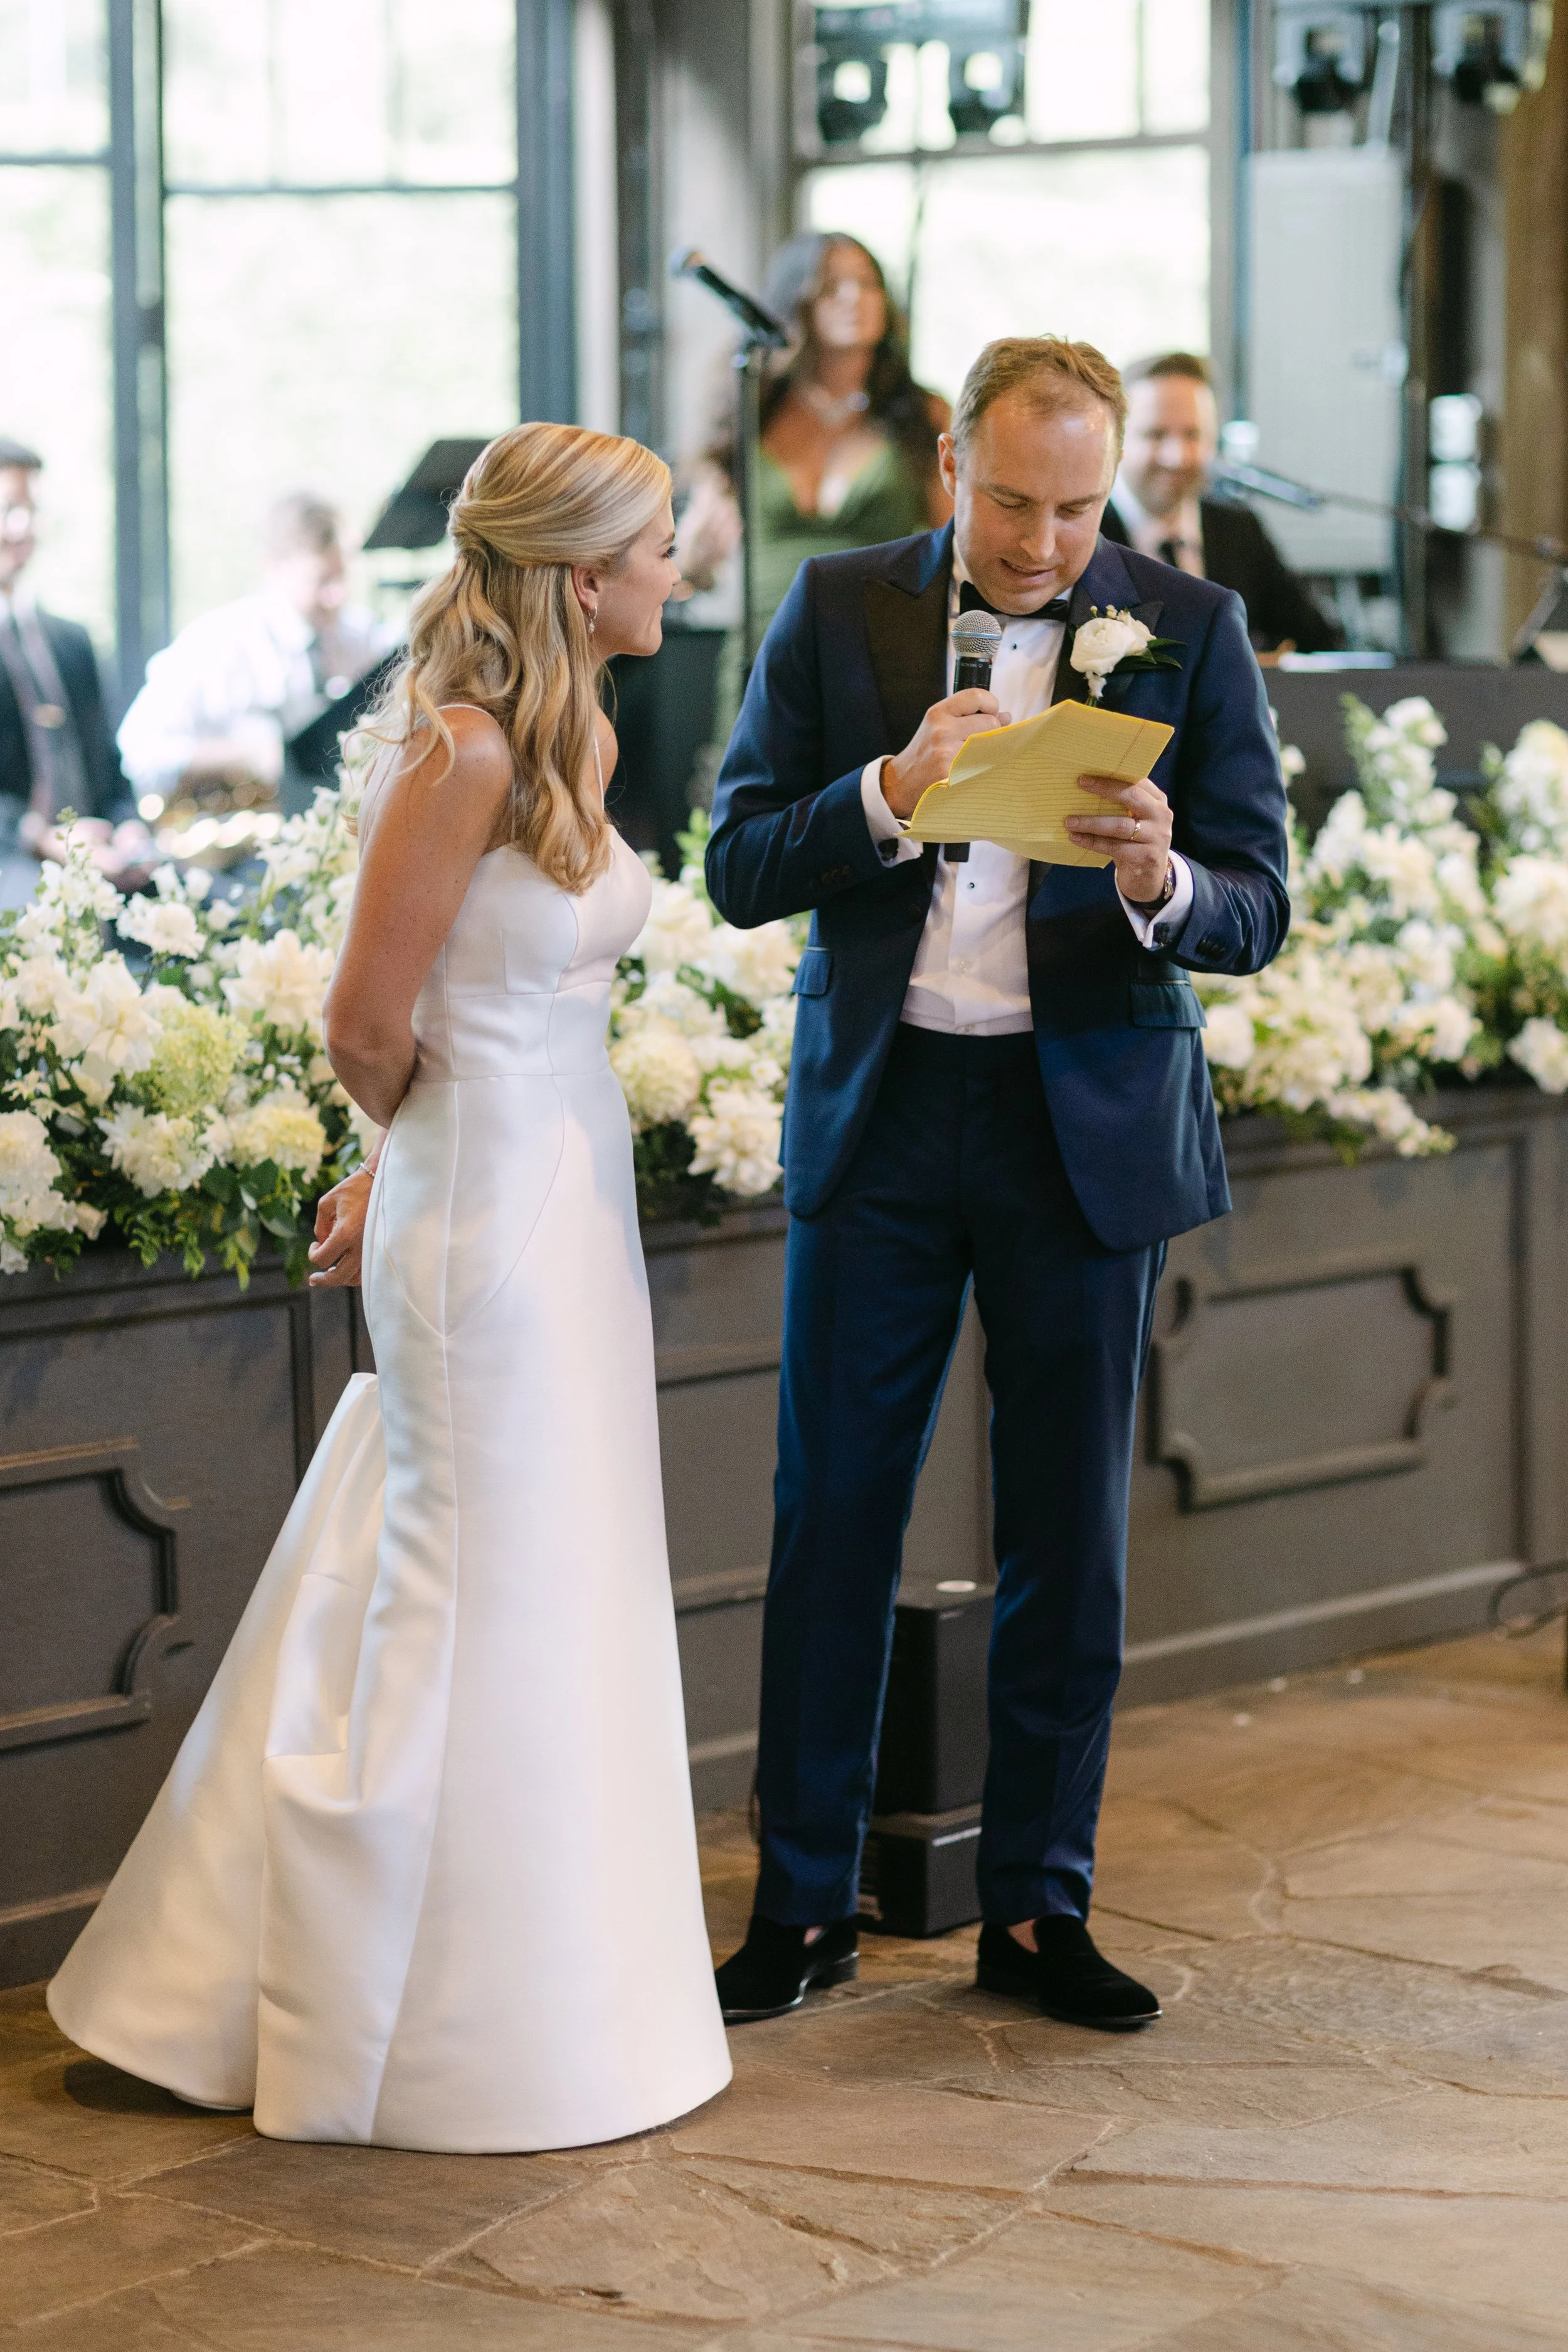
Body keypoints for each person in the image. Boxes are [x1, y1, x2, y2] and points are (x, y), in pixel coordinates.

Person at [48, 424, 733, 2152]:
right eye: (658, 544)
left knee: (541, 1570)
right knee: (457, 1577)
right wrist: (415, 1155)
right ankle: (379, 2030)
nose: (679, 568)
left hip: (554, 1196)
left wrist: (421, 1142)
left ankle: (555, 1989)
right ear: (585, 574)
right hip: (486, 1216)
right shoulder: (466, 747)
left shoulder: (568, 731)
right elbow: (368, 1015)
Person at [704, 336, 1290, 2030]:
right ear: (953, 461)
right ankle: (802, 1903)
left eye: (1077, 505)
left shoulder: (1189, 625)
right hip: (883, 1118)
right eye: (1015, 500)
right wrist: (886, 791)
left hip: (1078, 1126)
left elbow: (1257, 903)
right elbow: (739, 855)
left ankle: (1038, 1907)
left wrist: (1165, 875)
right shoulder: (837, 608)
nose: (1043, 542)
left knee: (1067, 1534)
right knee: (830, 1519)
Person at [678, 232, 953, 730]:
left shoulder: (922, 414)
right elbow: (694, 573)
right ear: (795, 301)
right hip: (764, 651)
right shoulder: (750, 408)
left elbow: (957, 544)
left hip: (880, 653)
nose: (854, 299)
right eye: (832, 286)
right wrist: (691, 563)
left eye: (868, 284)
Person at [117, 492, 395, 813]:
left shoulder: (363, 636)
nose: (337, 596)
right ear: (272, 568)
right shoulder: (216, 643)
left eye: (343, 576)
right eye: (321, 581)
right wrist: (249, 756)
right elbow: (142, 751)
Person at [1101, 352, 1341, 657]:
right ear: (1116, 440)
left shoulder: (1239, 530)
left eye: (1193, 435)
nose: (1176, 457)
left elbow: (1318, 642)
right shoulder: (1088, 531)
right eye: (1155, 435)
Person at [0, 436, 149, 899]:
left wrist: (129, 830)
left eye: (32, 510)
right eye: (8, 509)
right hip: (17, 863)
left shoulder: (72, 642)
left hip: (97, 858)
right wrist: (45, 838)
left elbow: (111, 769)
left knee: (206, 906)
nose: (23, 528)